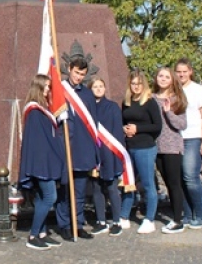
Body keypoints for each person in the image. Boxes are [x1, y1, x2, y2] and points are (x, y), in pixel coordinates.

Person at [19, 75, 65, 250]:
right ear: (38, 88)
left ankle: (42, 233)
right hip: (42, 163)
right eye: (45, 86)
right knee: (50, 197)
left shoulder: (40, 111)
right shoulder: (35, 112)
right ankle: (33, 235)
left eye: (48, 86)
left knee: (41, 198)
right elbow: (40, 141)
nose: (48, 90)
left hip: (45, 161)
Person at [55, 58, 98, 241]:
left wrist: (94, 152)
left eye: (82, 74)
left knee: (79, 192)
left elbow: (94, 124)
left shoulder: (87, 95)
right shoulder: (59, 90)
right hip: (64, 147)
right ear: (69, 69)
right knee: (64, 191)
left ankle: (78, 224)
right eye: (76, 72)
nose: (79, 77)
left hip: (82, 148)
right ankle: (64, 225)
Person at [121, 70, 162, 234]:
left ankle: (149, 219)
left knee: (147, 184)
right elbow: (123, 121)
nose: (136, 87)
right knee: (129, 183)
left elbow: (157, 126)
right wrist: (124, 129)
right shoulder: (126, 102)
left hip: (145, 148)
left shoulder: (150, 102)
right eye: (133, 84)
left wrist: (138, 129)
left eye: (139, 83)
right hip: (129, 147)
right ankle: (124, 216)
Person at [175, 57, 202, 229]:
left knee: (190, 177)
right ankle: (188, 215)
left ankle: (200, 215)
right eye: (178, 72)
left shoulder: (198, 90)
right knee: (180, 179)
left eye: (184, 71)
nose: (182, 74)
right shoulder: (173, 90)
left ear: (190, 72)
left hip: (193, 137)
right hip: (176, 138)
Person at [152, 67, 188, 233]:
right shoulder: (151, 98)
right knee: (166, 182)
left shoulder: (176, 99)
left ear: (172, 80)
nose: (163, 79)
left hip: (172, 146)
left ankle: (178, 220)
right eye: (161, 76)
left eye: (167, 77)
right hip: (156, 146)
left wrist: (168, 113)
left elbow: (182, 124)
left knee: (174, 184)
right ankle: (176, 215)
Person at [88, 78, 125, 236]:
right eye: (95, 86)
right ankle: (101, 221)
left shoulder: (112, 107)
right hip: (94, 153)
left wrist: (116, 154)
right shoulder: (87, 109)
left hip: (110, 153)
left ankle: (116, 221)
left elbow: (117, 132)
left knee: (111, 188)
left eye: (101, 86)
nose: (98, 89)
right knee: (97, 188)